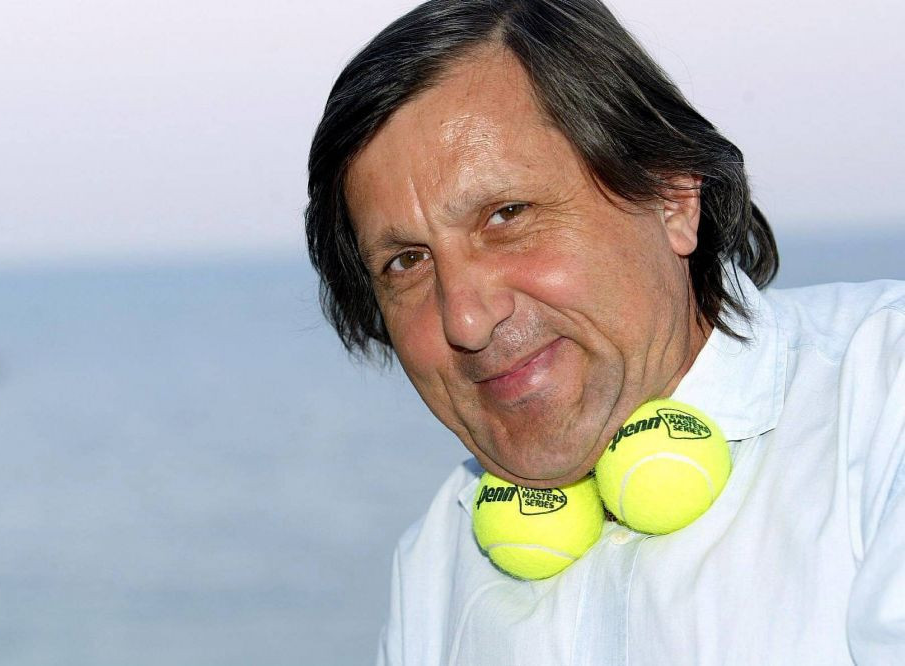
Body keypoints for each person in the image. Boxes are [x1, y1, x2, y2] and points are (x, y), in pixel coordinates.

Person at [305, 1, 904, 663]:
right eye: (407, 262)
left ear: (673, 197)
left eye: (507, 215)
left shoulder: (883, 399)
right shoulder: (438, 560)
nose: (467, 321)